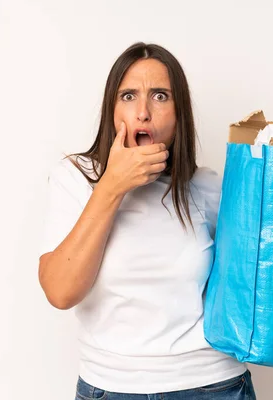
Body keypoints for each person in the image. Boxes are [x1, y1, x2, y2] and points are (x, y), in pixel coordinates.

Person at [38, 42, 256, 400]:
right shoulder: (77, 178)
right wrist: (112, 186)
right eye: (128, 96)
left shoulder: (205, 186)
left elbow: (248, 284)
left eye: (159, 96)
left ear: (178, 112)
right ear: (112, 110)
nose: (142, 112)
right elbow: (60, 292)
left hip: (213, 385)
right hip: (110, 387)